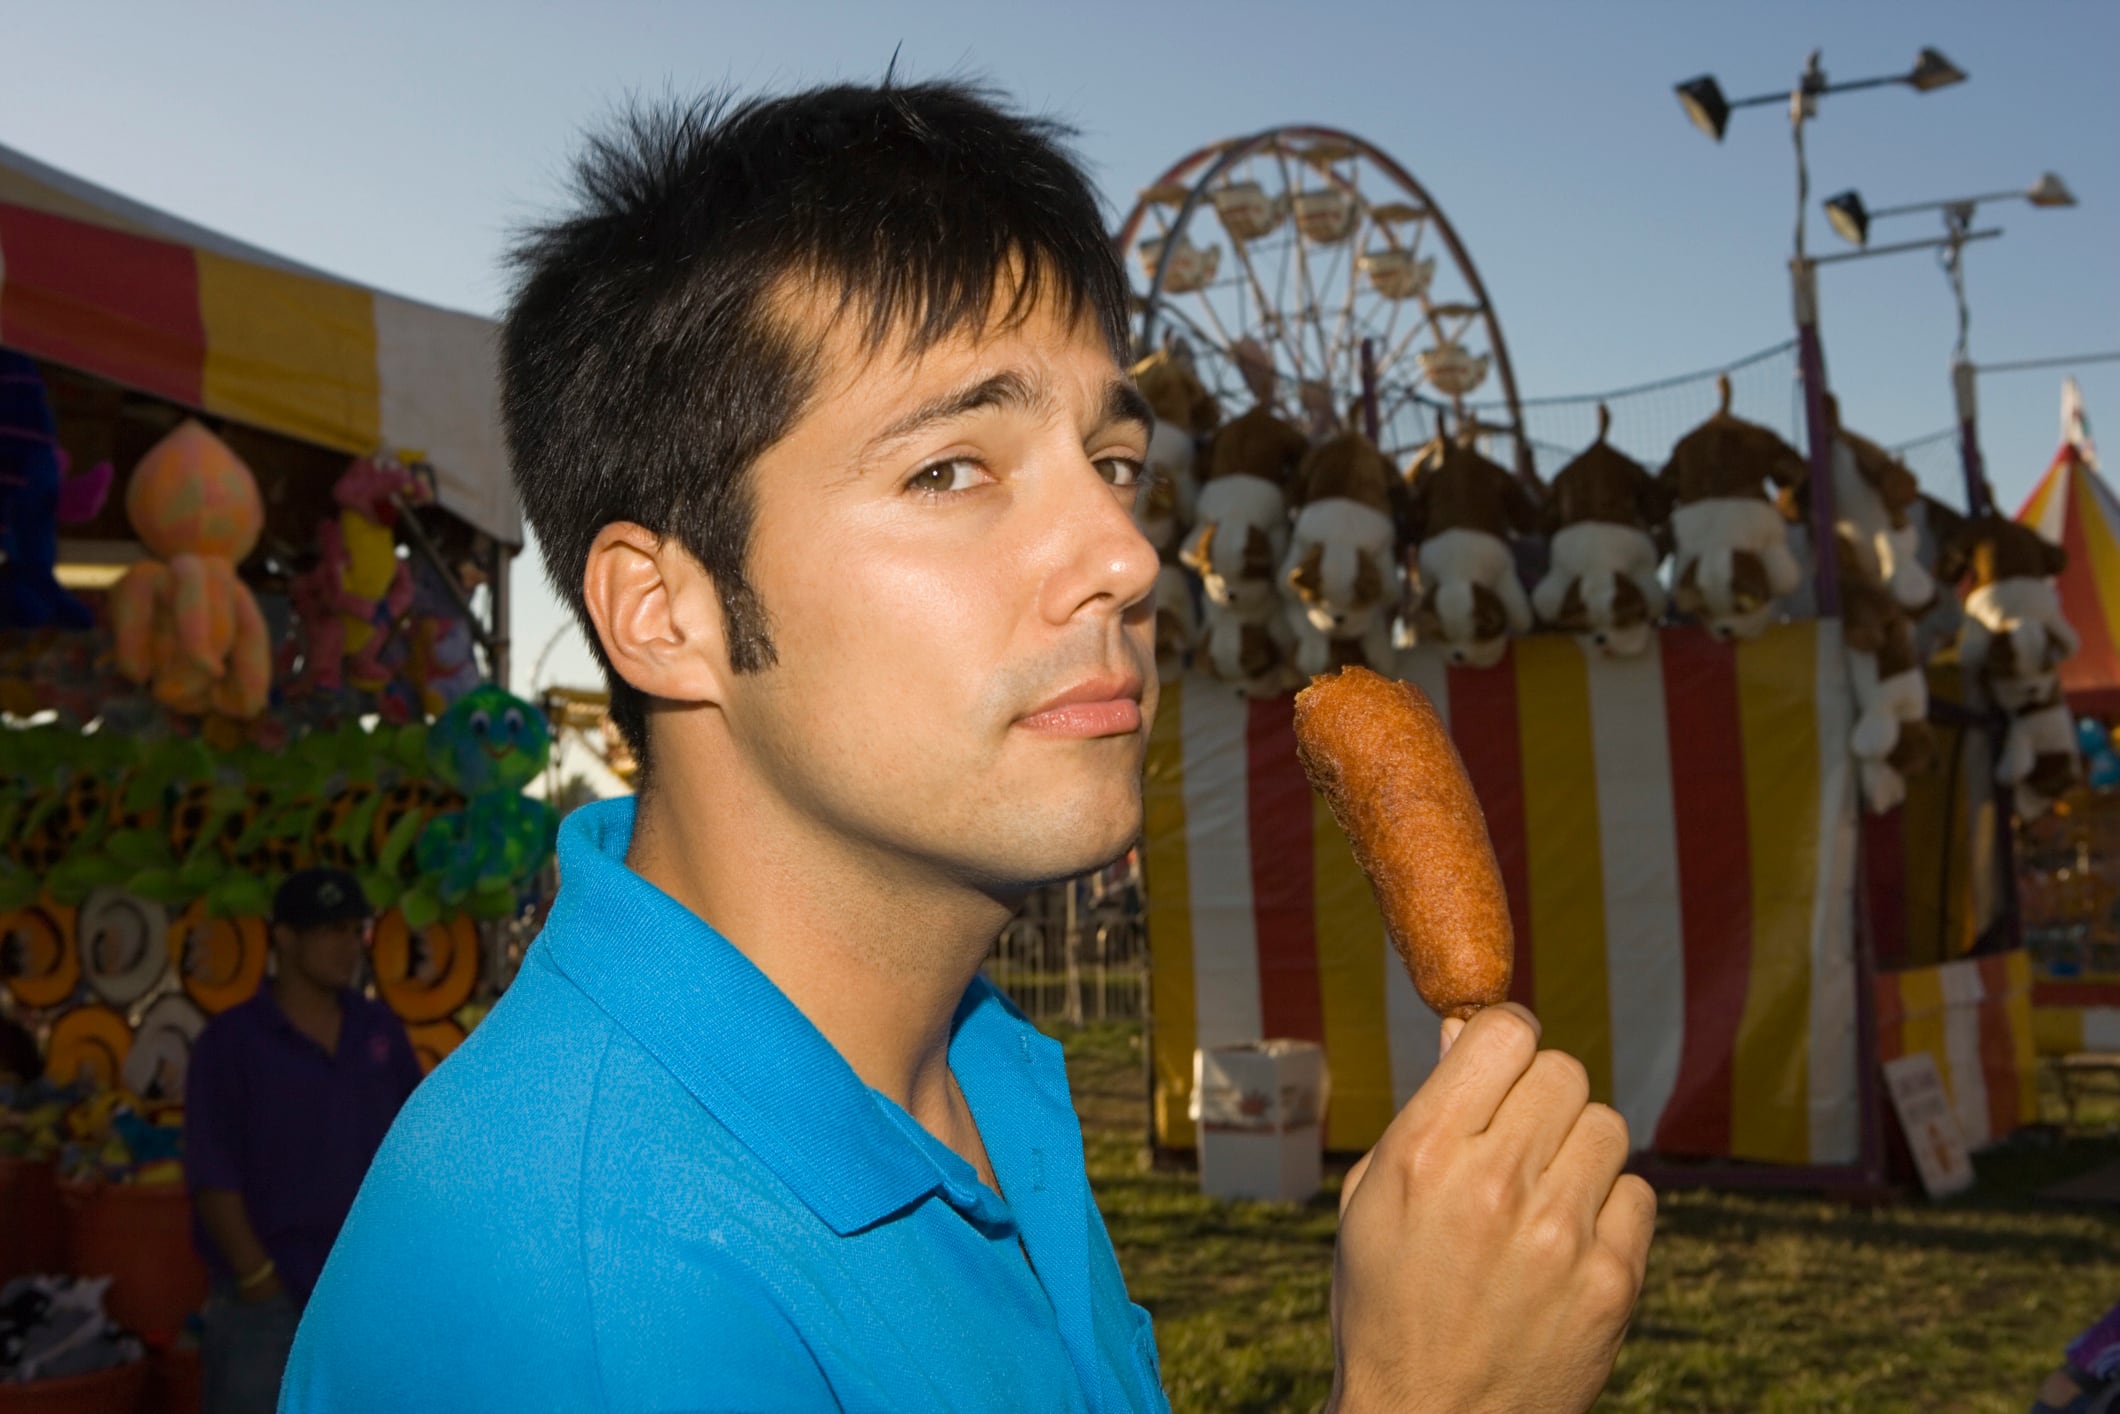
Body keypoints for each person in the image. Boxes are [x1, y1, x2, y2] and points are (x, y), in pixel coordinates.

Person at [283, 80, 1654, 1412]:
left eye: (1114, 464)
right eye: (951, 469)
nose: (1125, 555)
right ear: (664, 611)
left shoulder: (974, 1074)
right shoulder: (573, 1292)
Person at [184, 867, 422, 1414]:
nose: (348, 946)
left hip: (365, 1294)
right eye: (329, 930)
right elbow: (212, 1173)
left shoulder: (378, 1029)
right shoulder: (233, 1042)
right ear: (285, 938)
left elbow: (415, 1149)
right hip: (267, 1303)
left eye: (354, 929)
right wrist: (258, 1280)